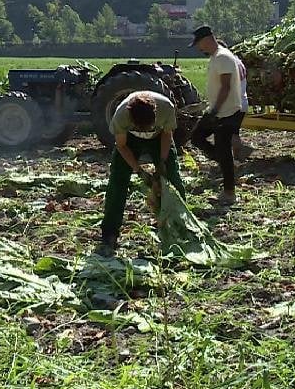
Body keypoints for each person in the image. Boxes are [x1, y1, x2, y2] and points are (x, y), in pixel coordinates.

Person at [97, 90, 185, 255]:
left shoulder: (166, 107)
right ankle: (109, 234)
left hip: (159, 137)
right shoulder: (121, 115)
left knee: (173, 178)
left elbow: (167, 135)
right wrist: (139, 171)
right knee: (117, 182)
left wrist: (161, 163)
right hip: (130, 140)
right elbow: (122, 146)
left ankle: (180, 226)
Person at [190, 25, 245, 204]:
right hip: (218, 110)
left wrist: (214, 111)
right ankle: (223, 162)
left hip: (226, 112)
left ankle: (229, 193)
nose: (199, 48)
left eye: (199, 44)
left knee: (221, 148)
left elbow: (226, 86)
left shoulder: (223, 57)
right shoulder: (216, 57)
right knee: (197, 137)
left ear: (206, 40)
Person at [218, 39, 253, 161]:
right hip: (242, 102)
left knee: (228, 133)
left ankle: (241, 152)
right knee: (233, 132)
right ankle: (237, 158)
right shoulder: (237, 61)